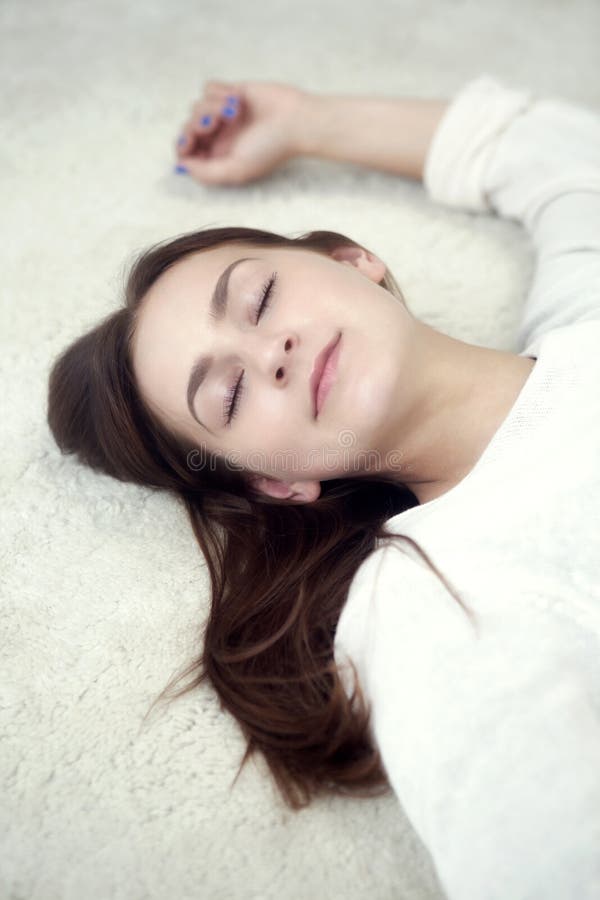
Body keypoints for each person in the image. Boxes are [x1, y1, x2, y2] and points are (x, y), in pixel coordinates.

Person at [47, 74, 600, 899]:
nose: (268, 352)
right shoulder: (423, 598)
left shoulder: (582, 310)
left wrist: (309, 120)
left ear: (354, 261)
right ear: (278, 482)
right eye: (228, 395)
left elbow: (555, 153)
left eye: (260, 296)